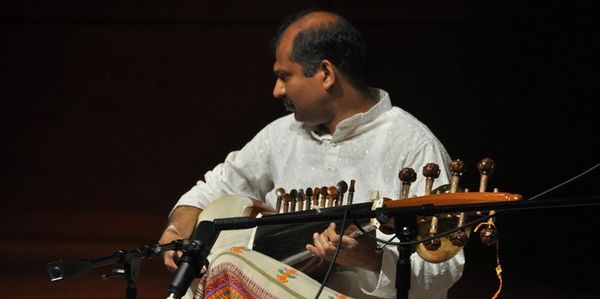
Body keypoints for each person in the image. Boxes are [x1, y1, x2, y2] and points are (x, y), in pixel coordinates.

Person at [159, 8, 464, 299]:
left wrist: (373, 259)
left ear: (326, 73)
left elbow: (446, 267)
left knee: (230, 267)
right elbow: (211, 191)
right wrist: (177, 230)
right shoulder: (282, 135)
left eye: (285, 76)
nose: (277, 90)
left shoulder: (412, 145)